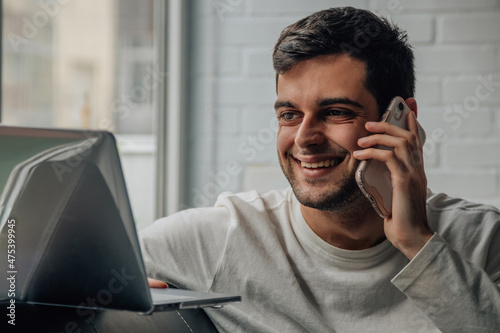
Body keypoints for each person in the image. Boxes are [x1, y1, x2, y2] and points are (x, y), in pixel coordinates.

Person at [140, 7, 500, 332]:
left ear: (402, 120)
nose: (304, 138)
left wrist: (418, 242)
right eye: (289, 115)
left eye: (336, 112)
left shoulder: (483, 240)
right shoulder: (222, 239)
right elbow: (92, 275)